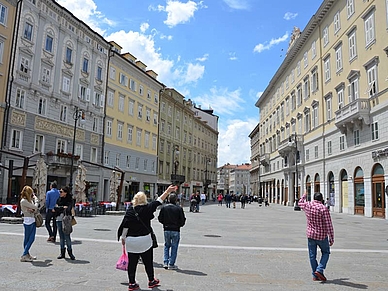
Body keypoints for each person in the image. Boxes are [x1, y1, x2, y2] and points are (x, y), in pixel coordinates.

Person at [117, 185, 177, 291]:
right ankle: (151, 281)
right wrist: (167, 191)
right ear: (144, 199)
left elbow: (125, 226)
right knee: (148, 262)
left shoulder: (130, 211)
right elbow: (159, 201)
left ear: (134, 200)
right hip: (145, 240)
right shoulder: (148, 208)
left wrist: (123, 238)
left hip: (131, 241)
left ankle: (132, 283)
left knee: (132, 263)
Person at [298, 192, 334, 282]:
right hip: (321, 236)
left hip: (310, 234)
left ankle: (315, 275)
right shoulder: (323, 209)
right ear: (321, 199)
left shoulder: (308, 205)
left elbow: (299, 203)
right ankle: (319, 269)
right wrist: (331, 237)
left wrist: (304, 195)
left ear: (314, 198)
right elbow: (328, 224)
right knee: (326, 252)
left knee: (312, 256)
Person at [158, 193, 186, 270]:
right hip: (176, 230)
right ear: (176, 200)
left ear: (168, 199)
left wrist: (165, 223)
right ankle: (171, 263)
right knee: (174, 246)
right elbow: (182, 220)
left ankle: (165, 262)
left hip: (166, 229)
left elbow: (160, 218)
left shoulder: (164, 207)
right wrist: (179, 225)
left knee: (167, 245)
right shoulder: (179, 208)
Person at [55, 186, 75, 260]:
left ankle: (70, 253)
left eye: (61, 192)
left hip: (66, 220)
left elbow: (69, 209)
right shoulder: (59, 199)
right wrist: (62, 208)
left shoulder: (70, 200)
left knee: (67, 236)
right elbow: (55, 209)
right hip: (59, 219)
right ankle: (62, 253)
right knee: (61, 237)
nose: (60, 193)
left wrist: (59, 208)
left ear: (65, 193)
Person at [20, 186, 39, 262]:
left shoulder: (28, 200)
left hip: (32, 219)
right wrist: (36, 200)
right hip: (28, 220)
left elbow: (33, 209)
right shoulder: (24, 201)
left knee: (28, 238)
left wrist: (32, 209)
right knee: (30, 238)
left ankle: (27, 254)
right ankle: (24, 254)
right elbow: (35, 207)